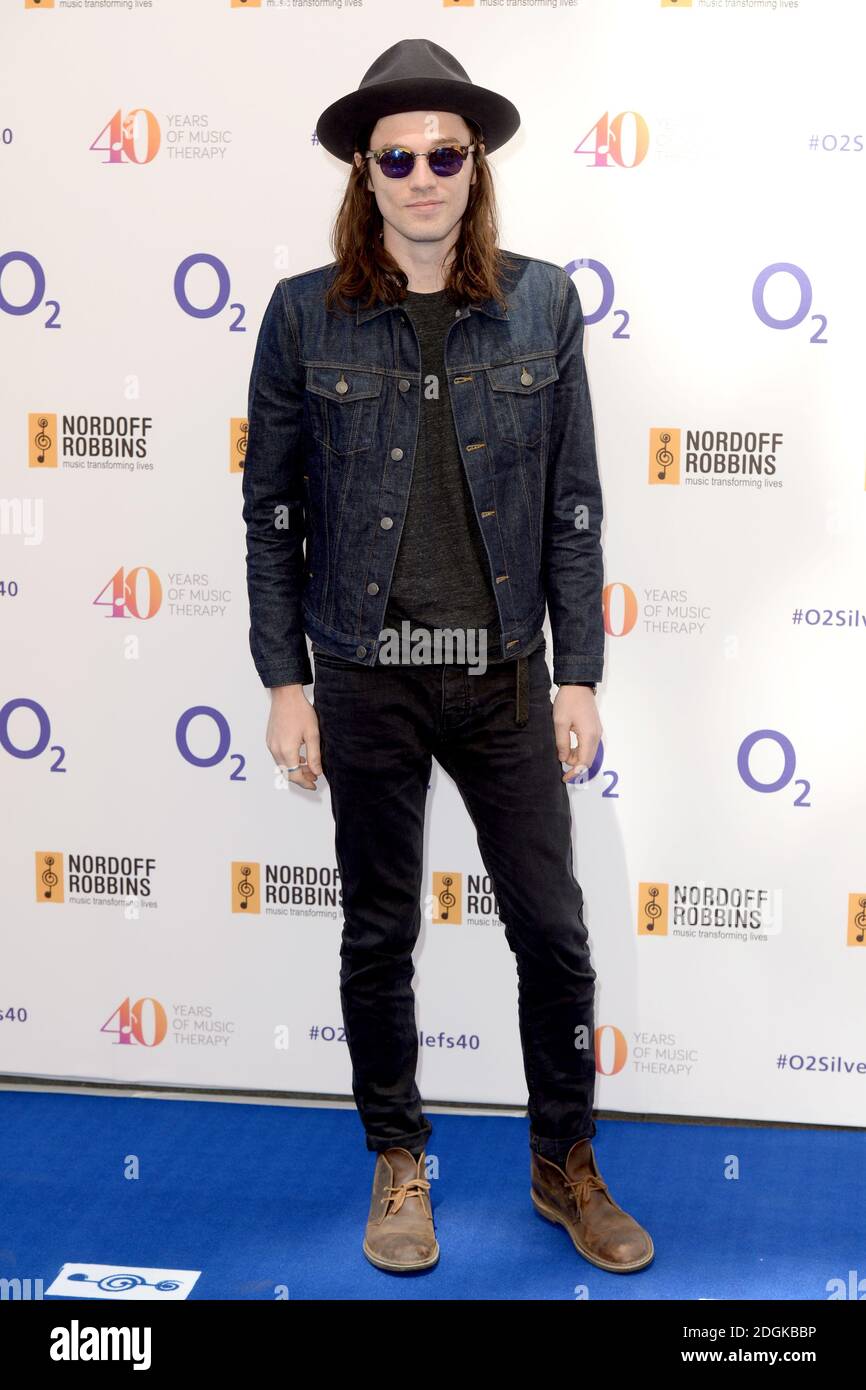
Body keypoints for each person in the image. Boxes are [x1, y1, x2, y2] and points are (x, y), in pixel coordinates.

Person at [241, 38, 653, 1276]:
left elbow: (572, 500)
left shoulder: (541, 303)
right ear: (363, 177)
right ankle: (396, 1156)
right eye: (397, 156)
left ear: (475, 171)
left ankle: (560, 1159)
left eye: (445, 154)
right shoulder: (302, 315)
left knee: (554, 931)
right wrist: (284, 681)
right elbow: (271, 509)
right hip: (361, 668)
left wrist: (575, 670)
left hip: (504, 673)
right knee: (377, 931)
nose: (423, 175)